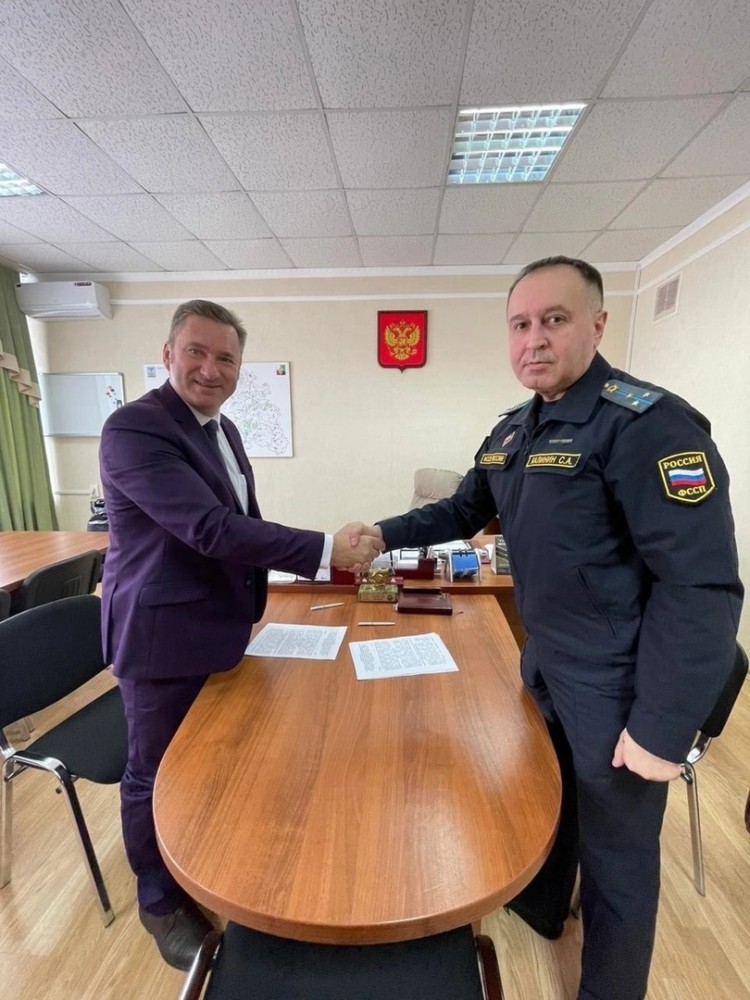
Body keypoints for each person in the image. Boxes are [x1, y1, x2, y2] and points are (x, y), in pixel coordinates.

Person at [353, 257, 743, 1000]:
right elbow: (462, 510)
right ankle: (541, 906)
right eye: (521, 324)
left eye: (554, 320)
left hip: (618, 684)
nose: (534, 339)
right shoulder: (515, 428)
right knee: (549, 800)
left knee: (618, 860)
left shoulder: (648, 425)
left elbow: (700, 587)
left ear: (597, 325)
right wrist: (381, 534)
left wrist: (661, 729)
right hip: (545, 662)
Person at [99, 299, 382, 971]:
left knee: (214, 759)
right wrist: (326, 551)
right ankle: (159, 901)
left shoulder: (221, 428)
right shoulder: (134, 428)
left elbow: (239, 517)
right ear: (167, 355)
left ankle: (207, 856)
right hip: (161, 638)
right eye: (196, 352)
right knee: (153, 771)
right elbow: (209, 529)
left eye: (226, 358)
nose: (210, 369)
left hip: (220, 624)